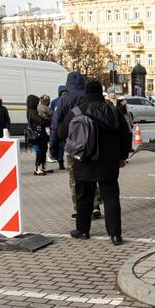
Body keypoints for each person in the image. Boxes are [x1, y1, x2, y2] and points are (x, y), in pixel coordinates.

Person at [58, 80, 132, 245]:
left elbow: (62, 132)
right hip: (108, 162)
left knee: (83, 196)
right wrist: (122, 156)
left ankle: (83, 230)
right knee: (111, 197)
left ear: (86, 92)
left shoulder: (77, 111)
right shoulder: (112, 111)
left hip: (84, 161)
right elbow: (126, 135)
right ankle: (115, 235)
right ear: (101, 93)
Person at [53, 72, 102, 220]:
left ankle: (78, 208)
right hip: (92, 142)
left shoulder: (63, 100)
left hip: (72, 145)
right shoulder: (88, 98)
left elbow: (56, 125)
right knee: (92, 173)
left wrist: (53, 149)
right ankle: (95, 206)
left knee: (75, 177)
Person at [27, 95, 51, 176]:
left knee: (43, 150)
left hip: (41, 135)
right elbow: (40, 121)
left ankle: (43, 167)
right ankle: (38, 168)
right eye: (36, 102)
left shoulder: (34, 110)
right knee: (40, 151)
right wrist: (49, 121)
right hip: (38, 135)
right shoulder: (31, 111)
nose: (38, 103)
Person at [49, 85, 68, 168]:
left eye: (65, 91)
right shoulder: (54, 102)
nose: (64, 93)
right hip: (58, 125)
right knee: (60, 144)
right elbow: (51, 113)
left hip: (65, 125)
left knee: (64, 145)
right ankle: (60, 160)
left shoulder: (68, 100)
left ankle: (61, 160)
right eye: (62, 92)